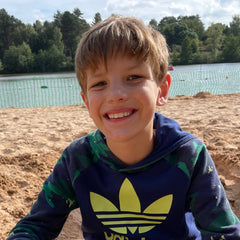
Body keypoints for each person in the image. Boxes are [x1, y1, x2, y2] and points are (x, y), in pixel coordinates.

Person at [7, 15, 240, 240]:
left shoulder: (189, 156)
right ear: (86, 100)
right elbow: (35, 226)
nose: (116, 94)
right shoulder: (77, 160)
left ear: (162, 89)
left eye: (133, 78)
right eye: (99, 83)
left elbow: (224, 232)